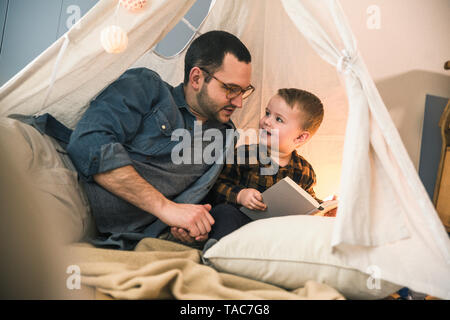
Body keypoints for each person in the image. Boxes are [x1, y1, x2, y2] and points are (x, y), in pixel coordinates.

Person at [13, 30, 254, 250]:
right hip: (62, 164)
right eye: (231, 89)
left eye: (243, 91)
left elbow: (192, 203)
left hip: (90, 208)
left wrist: (186, 227)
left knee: (29, 240)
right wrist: (166, 209)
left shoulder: (223, 138)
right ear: (197, 78)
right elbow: (88, 141)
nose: (239, 102)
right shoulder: (148, 87)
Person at [182, 88, 334, 243]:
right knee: (225, 213)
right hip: (241, 224)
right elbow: (216, 187)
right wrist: (240, 195)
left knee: (307, 229)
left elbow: (308, 202)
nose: (266, 121)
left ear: (300, 137)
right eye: (267, 113)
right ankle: (216, 249)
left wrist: (325, 206)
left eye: (279, 119)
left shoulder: (305, 171)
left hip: (276, 232)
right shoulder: (244, 155)